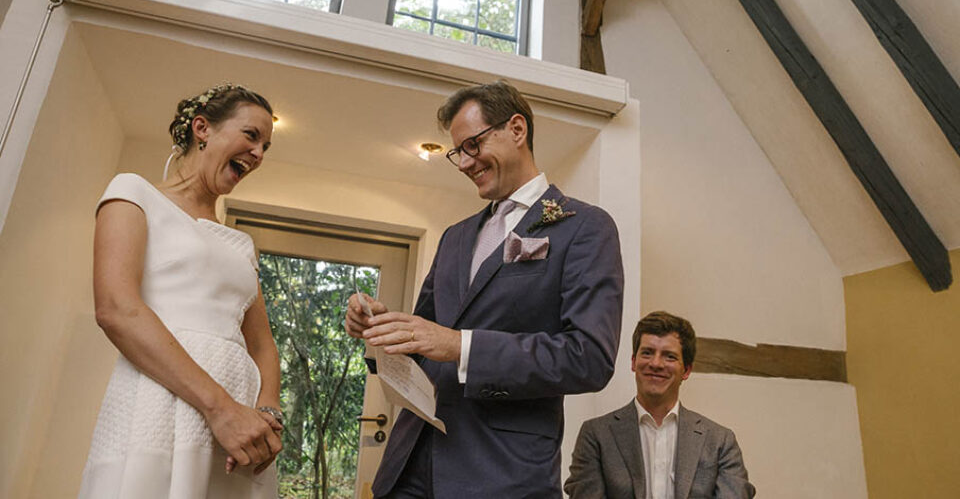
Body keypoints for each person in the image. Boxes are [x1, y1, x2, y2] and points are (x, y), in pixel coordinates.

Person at [345, 81, 624, 498]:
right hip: (410, 462)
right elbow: (426, 338)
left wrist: (462, 347)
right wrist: (382, 326)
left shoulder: (584, 227)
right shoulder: (455, 237)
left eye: (472, 145)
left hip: (500, 471)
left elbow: (589, 358)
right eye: (458, 153)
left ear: (516, 129)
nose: (464, 163)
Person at [79, 84, 284, 498]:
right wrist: (220, 409)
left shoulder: (240, 245)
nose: (259, 153)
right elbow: (117, 309)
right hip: (164, 403)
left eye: (266, 146)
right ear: (202, 128)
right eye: (251, 136)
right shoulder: (134, 193)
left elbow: (262, 345)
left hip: (240, 430)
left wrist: (266, 416)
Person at [564, 311, 755, 499]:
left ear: (686, 370)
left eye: (669, 356)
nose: (656, 363)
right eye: (647, 353)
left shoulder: (720, 441)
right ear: (633, 362)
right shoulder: (596, 436)